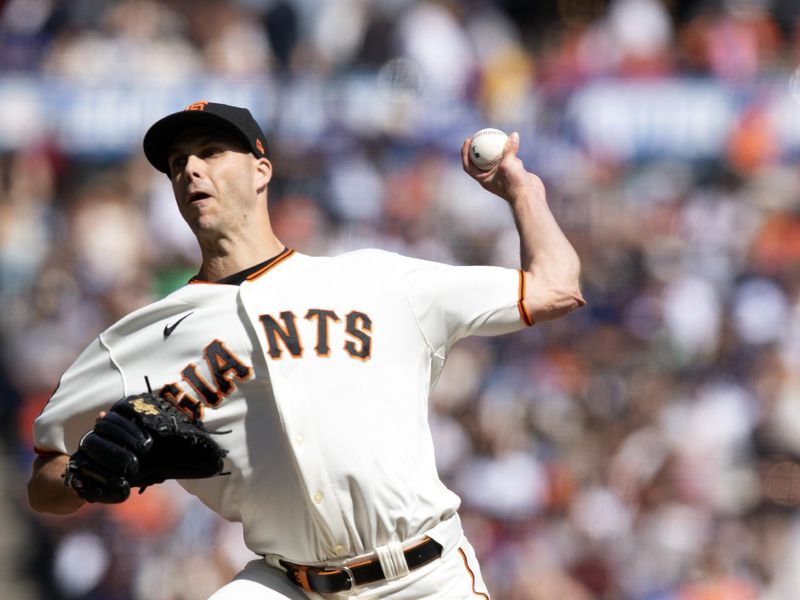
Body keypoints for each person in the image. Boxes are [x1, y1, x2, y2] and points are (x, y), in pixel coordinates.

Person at [27, 101, 584, 599]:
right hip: (287, 582)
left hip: (425, 576)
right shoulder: (141, 338)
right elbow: (43, 484)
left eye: (211, 152)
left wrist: (522, 190)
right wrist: (81, 475)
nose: (190, 169)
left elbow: (555, 287)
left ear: (262, 171)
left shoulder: (378, 280)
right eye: (177, 163)